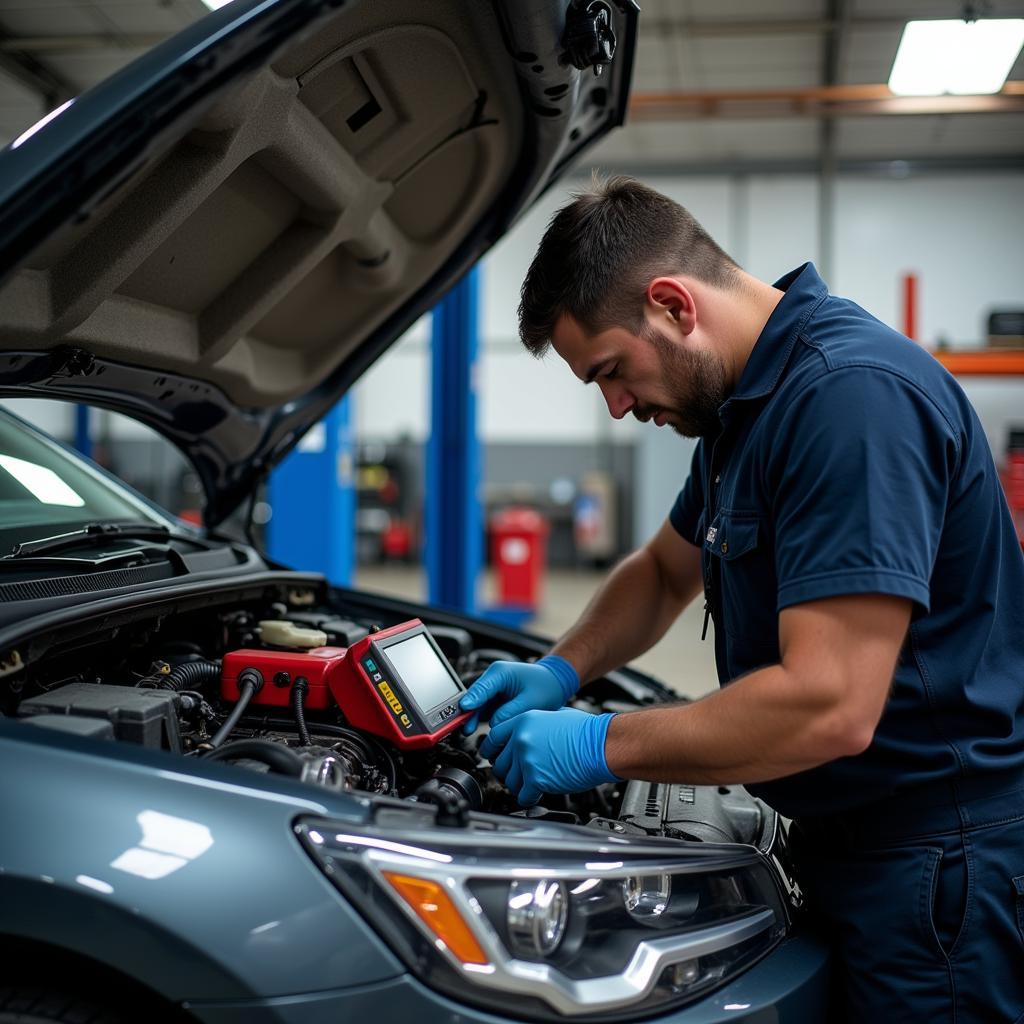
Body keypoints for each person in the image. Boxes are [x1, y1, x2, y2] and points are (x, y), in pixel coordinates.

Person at [458, 175, 1024, 1022]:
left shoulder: (847, 400)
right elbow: (661, 571)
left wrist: (601, 744)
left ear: (673, 305)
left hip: (936, 870)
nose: (616, 406)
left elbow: (829, 706)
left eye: (611, 371)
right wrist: (559, 670)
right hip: (850, 842)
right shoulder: (747, 408)